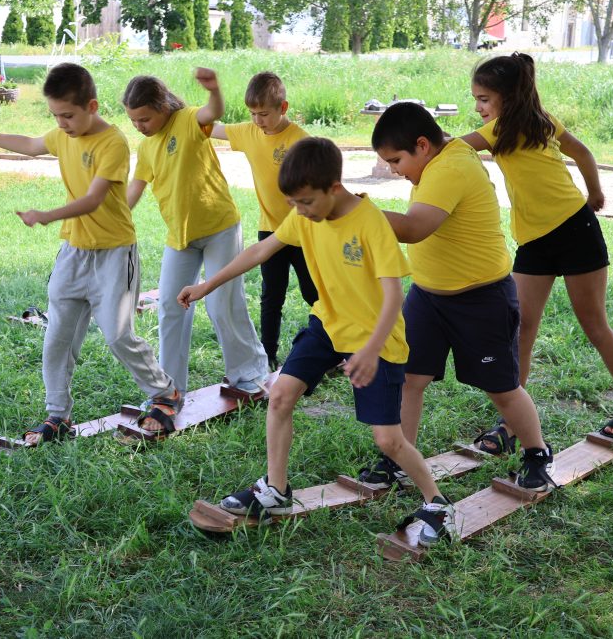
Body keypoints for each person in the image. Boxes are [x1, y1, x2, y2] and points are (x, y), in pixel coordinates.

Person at [179, 137, 456, 546]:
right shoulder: (305, 215)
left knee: (388, 439)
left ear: (333, 187)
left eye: (306, 202)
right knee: (280, 396)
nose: (299, 212)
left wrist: (369, 349)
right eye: (294, 204)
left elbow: (394, 295)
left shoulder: (370, 222)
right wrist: (206, 285)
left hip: (376, 340)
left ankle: (437, 504)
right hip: (327, 325)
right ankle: (276, 490)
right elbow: (260, 251)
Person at [0, 62, 180, 443]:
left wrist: (47, 215)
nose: (61, 123)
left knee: (117, 334)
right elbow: (29, 145)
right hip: (74, 252)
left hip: (113, 253)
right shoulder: (63, 134)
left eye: (68, 115)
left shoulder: (113, 143)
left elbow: (93, 199)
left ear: (91, 106)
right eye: (55, 115)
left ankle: (164, 392)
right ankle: (58, 415)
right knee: (57, 335)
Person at [460, 53, 613, 446]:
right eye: (476, 99)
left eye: (483, 99)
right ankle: (513, 421)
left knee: (594, 324)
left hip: (575, 230)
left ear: (507, 97)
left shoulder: (517, 126)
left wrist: (595, 193)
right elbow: (582, 154)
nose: (477, 107)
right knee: (521, 328)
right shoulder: (521, 125)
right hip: (534, 243)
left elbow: (582, 154)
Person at [371, 102, 556, 492]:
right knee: (410, 378)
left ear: (422, 145)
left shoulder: (451, 167)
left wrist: (357, 212)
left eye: (396, 160)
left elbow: (414, 227)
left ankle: (536, 454)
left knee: (501, 388)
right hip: (427, 296)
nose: (393, 170)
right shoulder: (436, 159)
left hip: (480, 299)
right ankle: (398, 458)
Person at [123, 69, 271, 433]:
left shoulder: (188, 120)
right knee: (171, 307)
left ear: (162, 107)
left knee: (223, 302)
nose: (140, 126)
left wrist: (215, 89)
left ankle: (249, 373)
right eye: (133, 121)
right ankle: (168, 388)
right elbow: (135, 190)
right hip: (180, 238)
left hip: (220, 227)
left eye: (145, 118)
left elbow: (213, 111)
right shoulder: (145, 147)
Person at [210, 72, 317, 369]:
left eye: (265, 114)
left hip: (305, 230)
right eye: (253, 114)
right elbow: (207, 127)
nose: (258, 120)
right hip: (270, 229)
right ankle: (268, 356)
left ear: (283, 108)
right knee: (272, 295)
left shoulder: (300, 140)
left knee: (313, 292)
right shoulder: (248, 132)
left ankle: (336, 343)